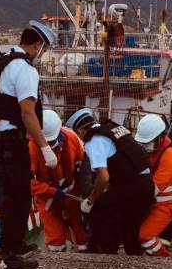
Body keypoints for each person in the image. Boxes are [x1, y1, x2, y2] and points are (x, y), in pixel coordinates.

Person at [0, 20, 58, 269]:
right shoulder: (25, 69)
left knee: (9, 192)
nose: (41, 54)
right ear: (38, 44)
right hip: (10, 138)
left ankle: (12, 243)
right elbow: (27, 112)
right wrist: (45, 147)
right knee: (20, 196)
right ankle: (10, 254)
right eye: (42, 49)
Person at [65, 109, 154, 255]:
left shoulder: (94, 141)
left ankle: (106, 254)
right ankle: (135, 262)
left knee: (98, 208)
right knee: (129, 230)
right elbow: (121, 164)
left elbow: (103, 177)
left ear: (81, 131)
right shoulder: (113, 128)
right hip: (146, 184)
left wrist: (90, 200)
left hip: (133, 187)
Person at [29, 110, 90, 253]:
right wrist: (51, 192)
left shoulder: (72, 138)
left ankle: (86, 261)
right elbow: (27, 182)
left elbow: (83, 165)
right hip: (47, 196)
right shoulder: (31, 146)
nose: (49, 144)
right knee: (55, 241)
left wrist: (86, 192)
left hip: (72, 192)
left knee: (82, 236)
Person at [134, 115, 172, 257]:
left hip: (165, 205)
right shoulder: (153, 152)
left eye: (148, 142)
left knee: (145, 236)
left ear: (161, 138)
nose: (144, 146)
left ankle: (163, 260)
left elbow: (153, 189)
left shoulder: (170, 156)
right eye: (142, 143)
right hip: (153, 203)